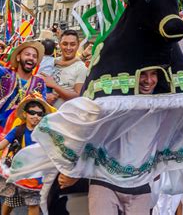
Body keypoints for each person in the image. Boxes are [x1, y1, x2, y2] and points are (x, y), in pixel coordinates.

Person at [58, 69, 160, 214]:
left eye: (154, 74)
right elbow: (90, 138)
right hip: (104, 182)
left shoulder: (163, 108)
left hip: (140, 186)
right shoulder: (109, 105)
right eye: (143, 74)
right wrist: (75, 171)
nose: (148, 80)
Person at [0, 94, 52, 215]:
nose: (36, 116)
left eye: (40, 114)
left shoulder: (45, 132)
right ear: (25, 114)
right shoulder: (18, 130)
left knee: (33, 202)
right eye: (32, 112)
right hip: (17, 171)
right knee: (11, 201)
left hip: (35, 173)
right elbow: (1, 145)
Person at [40, 30, 87, 108]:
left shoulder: (81, 67)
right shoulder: (52, 62)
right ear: (59, 44)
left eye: (72, 44)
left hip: (65, 117)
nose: (68, 48)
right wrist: (43, 96)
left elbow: (78, 96)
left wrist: (55, 86)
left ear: (78, 45)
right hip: (43, 115)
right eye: (65, 44)